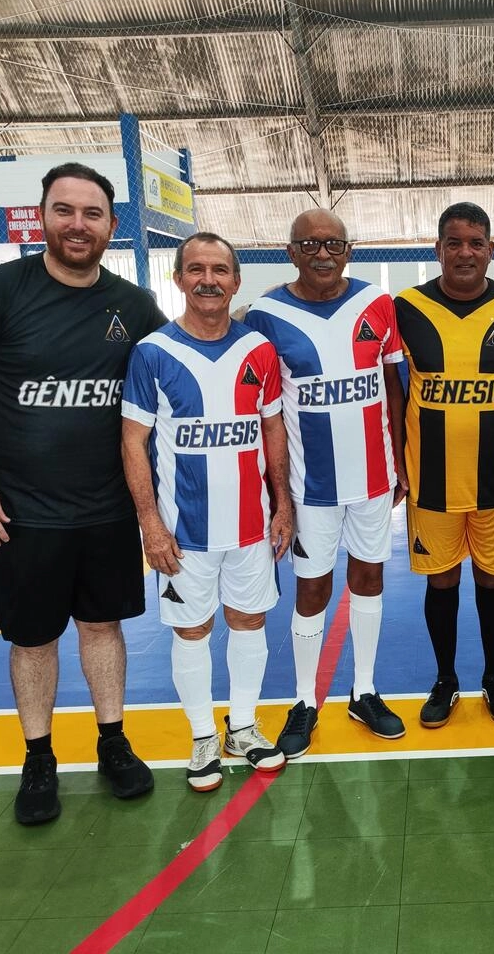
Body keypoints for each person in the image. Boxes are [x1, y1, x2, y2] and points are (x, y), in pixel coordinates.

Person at [0, 163, 165, 825]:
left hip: (107, 509)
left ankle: (113, 743)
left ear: (111, 226)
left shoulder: (132, 307)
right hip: (22, 513)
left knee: (103, 626)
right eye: (64, 210)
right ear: (42, 216)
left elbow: (165, 392)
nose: (77, 224)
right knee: (32, 640)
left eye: (92, 214)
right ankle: (38, 759)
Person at [120, 233, 291, 791]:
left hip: (249, 526)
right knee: (191, 630)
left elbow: (272, 430)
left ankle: (242, 726)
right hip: (183, 532)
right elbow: (132, 443)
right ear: (178, 279)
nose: (209, 279)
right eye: (196, 269)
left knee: (249, 621)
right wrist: (150, 522)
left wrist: (282, 505)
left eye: (220, 270)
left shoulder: (257, 351)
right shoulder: (152, 353)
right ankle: (201, 738)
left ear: (236, 281)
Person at [245, 209, 408, 757]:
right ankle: (305, 700)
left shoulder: (376, 304)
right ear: (290, 251)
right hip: (308, 487)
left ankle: (364, 689)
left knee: (368, 577)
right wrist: (275, 492)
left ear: (349, 251)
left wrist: (402, 463)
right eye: (310, 244)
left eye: (334, 244)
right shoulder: (264, 315)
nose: (322, 253)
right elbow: (262, 411)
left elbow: (393, 386)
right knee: (312, 587)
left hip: (373, 478)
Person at [396, 202, 494, 728]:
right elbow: (391, 396)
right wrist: (397, 461)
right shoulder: (405, 308)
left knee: (492, 582)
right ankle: (445, 679)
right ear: (437, 249)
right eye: (454, 242)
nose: (465, 252)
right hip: (429, 479)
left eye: (475, 243)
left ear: (490, 250)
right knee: (440, 583)